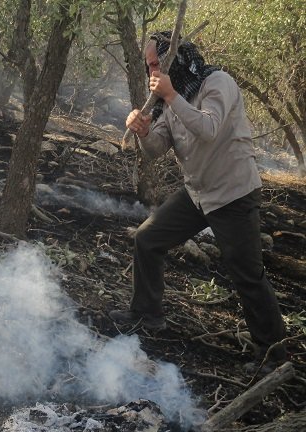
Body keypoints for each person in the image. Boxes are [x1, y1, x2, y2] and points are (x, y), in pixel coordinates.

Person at [109, 31, 287, 371]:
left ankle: (274, 356)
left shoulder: (217, 82)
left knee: (247, 273)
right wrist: (144, 132)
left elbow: (208, 128)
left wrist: (172, 95)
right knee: (148, 239)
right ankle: (148, 315)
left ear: (174, 59)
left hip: (233, 193)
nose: (152, 74)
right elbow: (157, 148)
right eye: (148, 67)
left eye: (156, 64)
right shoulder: (169, 102)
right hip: (199, 194)